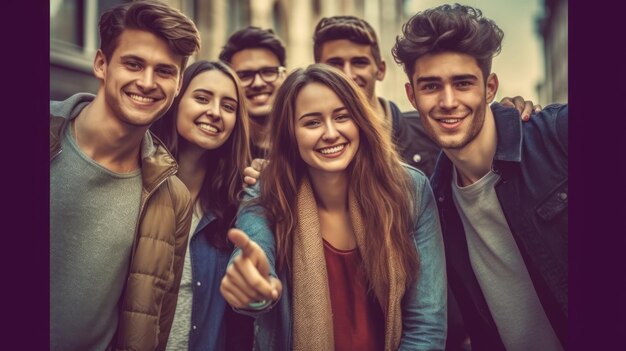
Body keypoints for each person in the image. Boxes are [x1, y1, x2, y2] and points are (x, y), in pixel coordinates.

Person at [220, 64, 448, 350]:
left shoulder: (409, 190)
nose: (330, 133)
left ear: (360, 121)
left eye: (342, 117)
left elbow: (426, 323)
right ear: (290, 133)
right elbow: (254, 258)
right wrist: (253, 287)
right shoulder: (266, 193)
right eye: (312, 122)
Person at [392, 4, 567, 351]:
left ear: (489, 88)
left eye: (462, 83)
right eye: (430, 86)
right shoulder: (433, 202)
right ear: (412, 95)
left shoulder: (559, 136)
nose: (448, 101)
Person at [49, 1, 200, 350]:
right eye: (133, 64)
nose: (147, 83)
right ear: (101, 64)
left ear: (178, 85)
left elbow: (155, 324)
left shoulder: (173, 198)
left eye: (164, 71)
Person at [150, 60, 254, 351]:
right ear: (176, 101)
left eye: (229, 106)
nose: (215, 112)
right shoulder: (136, 184)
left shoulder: (237, 206)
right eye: (202, 98)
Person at [219, 26, 288, 158]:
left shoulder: (306, 143)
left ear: (284, 75)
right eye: (245, 75)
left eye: (268, 72)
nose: (258, 83)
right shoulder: (216, 151)